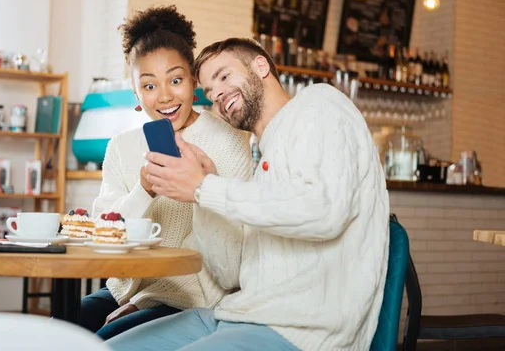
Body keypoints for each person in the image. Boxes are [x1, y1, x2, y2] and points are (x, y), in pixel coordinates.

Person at [106, 38, 390, 351]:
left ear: (261, 65)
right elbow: (229, 275)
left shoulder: (319, 104)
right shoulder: (263, 164)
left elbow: (325, 213)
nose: (218, 95)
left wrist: (204, 187)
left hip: (301, 331)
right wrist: (203, 190)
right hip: (234, 315)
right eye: (210, 92)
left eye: (224, 76)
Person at [80, 8, 253, 340]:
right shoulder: (121, 147)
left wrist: (146, 301)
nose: (164, 96)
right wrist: (143, 191)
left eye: (175, 80)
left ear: (192, 81)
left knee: (100, 342)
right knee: (54, 333)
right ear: (136, 95)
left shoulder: (229, 142)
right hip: (126, 290)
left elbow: (230, 255)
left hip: (191, 298)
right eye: (149, 85)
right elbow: (105, 233)